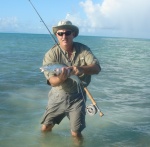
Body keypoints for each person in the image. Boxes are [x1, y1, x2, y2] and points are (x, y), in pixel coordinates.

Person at [41, 20, 101, 139]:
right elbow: (52, 81)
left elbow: (97, 68)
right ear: (56, 35)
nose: (64, 36)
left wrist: (81, 69)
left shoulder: (84, 50)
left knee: (76, 133)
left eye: (67, 33)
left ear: (73, 34)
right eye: (60, 33)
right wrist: (61, 78)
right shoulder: (51, 54)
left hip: (78, 97)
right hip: (57, 96)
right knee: (46, 127)